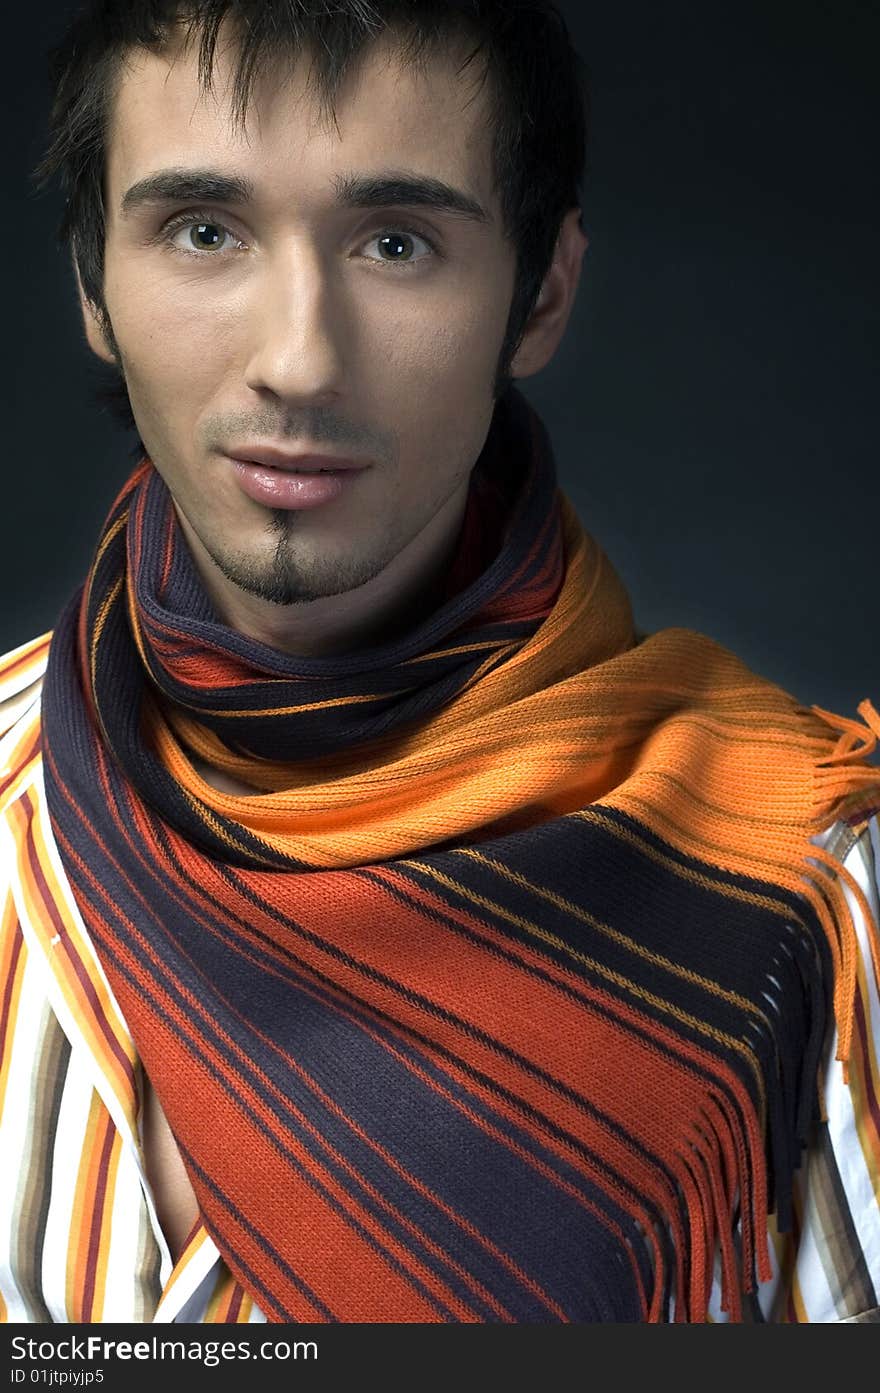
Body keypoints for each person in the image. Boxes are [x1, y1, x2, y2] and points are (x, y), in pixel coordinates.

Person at [1, 0, 878, 1326]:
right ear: (90, 284)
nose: (298, 360)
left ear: (541, 295)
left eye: (397, 242)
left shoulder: (817, 895)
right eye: (203, 231)